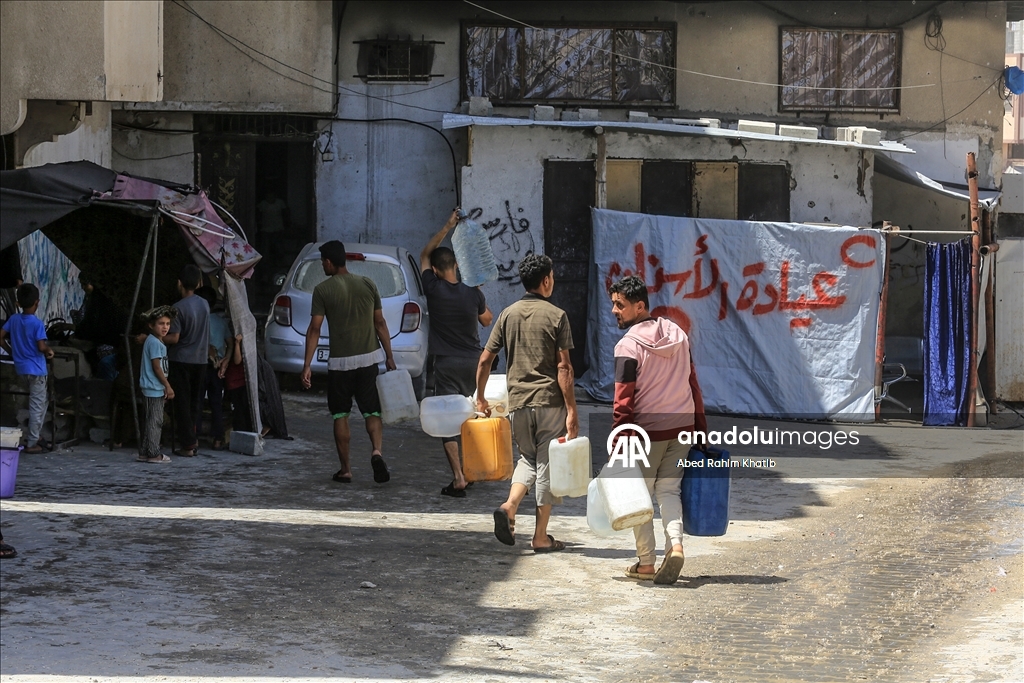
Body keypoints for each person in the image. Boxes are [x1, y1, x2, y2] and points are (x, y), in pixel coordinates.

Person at [609, 275, 708, 585]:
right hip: (682, 427)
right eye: (613, 304)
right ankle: (675, 546)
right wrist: (700, 429)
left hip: (647, 432)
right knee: (668, 490)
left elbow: (622, 399)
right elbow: (693, 384)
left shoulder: (627, 345)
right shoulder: (678, 334)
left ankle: (647, 562)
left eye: (620, 305)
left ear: (640, 306)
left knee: (639, 497)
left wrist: (620, 439)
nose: (615, 310)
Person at [475, 254, 577, 552]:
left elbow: (485, 360)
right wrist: (571, 410)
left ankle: (509, 506)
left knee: (527, 460)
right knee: (547, 467)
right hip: (549, 402)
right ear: (546, 280)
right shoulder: (557, 316)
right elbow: (564, 368)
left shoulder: (507, 314)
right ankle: (540, 537)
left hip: (517, 403)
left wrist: (480, 397)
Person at [301, 240, 396, 484]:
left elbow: (314, 329)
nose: (323, 266)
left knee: (340, 415)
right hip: (369, 360)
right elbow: (380, 324)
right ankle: (376, 451)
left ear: (330, 262)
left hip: (340, 365)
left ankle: (345, 470)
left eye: (323, 262)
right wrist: (389, 355)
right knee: (372, 411)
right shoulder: (368, 284)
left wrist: (307, 364)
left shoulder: (323, 290)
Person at [420, 209, 493, 497]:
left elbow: (425, 253)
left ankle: (460, 477)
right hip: (474, 363)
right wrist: (477, 302)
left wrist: (448, 225)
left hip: (446, 364)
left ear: (436, 270)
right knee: (474, 416)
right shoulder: (472, 290)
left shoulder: (433, 288)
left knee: (448, 420)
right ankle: (476, 469)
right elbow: (488, 319)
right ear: (457, 266)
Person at [0, 283, 55, 453]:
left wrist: (12, 351)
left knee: (40, 402)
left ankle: (35, 435)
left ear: (18, 303)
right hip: (37, 370)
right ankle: (32, 443)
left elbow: (1, 337)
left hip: (21, 368)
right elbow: (40, 346)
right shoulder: (37, 324)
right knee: (37, 405)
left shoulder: (14, 320)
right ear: (37, 302)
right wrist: (48, 350)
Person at [163, 264, 210, 457]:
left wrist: (154, 336)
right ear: (199, 283)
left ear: (179, 283)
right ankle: (193, 438)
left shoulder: (177, 308)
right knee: (194, 403)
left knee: (181, 403)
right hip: (201, 360)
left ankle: (188, 444)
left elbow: (174, 338)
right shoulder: (205, 304)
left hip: (181, 360)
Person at [137, 306, 176, 463]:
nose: (165, 327)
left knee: (151, 419)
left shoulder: (154, 341)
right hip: (154, 387)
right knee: (155, 421)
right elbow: (156, 367)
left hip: (152, 387)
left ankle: (145, 451)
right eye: (161, 323)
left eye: (167, 323)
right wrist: (167, 386)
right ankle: (153, 453)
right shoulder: (154, 343)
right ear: (151, 325)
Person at [195, 286, 231, 450]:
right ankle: (217, 439)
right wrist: (226, 360)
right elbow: (230, 344)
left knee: (198, 402)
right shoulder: (220, 321)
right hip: (217, 367)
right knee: (216, 403)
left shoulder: (198, 320)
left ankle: (193, 439)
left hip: (201, 366)